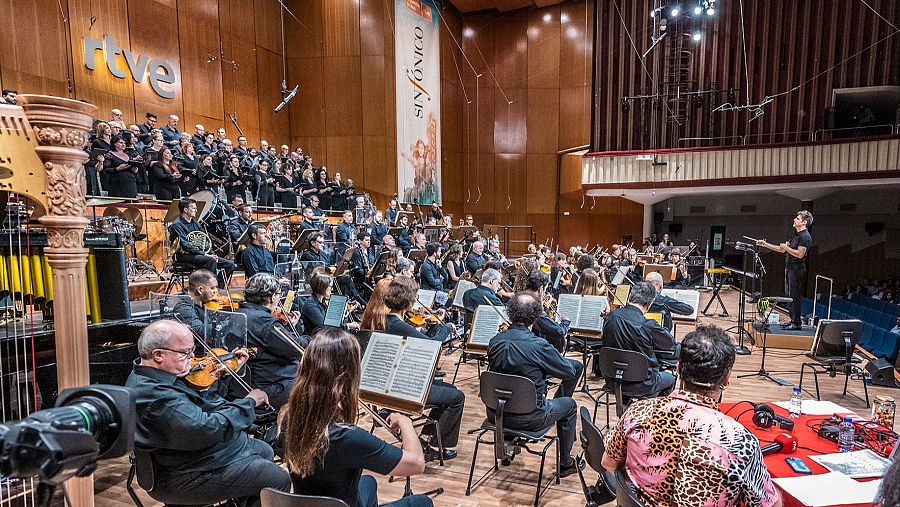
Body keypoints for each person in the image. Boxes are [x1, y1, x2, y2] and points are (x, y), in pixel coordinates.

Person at [602, 325, 782, 507]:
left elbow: (608, 464)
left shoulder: (637, 412)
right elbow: (767, 504)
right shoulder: (741, 442)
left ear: (678, 369)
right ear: (726, 378)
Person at [126, 320, 291, 507]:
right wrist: (248, 403)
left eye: (193, 350)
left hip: (189, 457)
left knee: (264, 450)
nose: (192, 357)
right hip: (182, 473)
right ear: (158, 355)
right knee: (278, 479)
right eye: (185, 352)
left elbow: (207, 403)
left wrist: (226, 373)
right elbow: (207, 428)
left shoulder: (157, 375)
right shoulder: (155, 396)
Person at [280, 328, 433, 507]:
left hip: (310, 502)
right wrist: (406, 423)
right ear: (347, 376)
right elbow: (416, 463)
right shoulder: (346, 437)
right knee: (422, 502)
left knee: (368, 482)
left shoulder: (290, 417)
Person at [486, 292, 584, 477]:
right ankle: (565, 463)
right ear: (535, 316)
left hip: (495, 414)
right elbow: (568, 372)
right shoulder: (539, 345)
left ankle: (508, 437)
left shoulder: (494, 341)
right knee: (570, 406)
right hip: (531, 417)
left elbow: (508, 371)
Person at [379, 276, 464, 460]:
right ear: (408, 300)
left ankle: (426, 440)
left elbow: (420, 341)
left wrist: (433, 324)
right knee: (457, 397)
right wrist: (446, 327)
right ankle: (432, 446)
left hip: (394, 383)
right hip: (403, 390)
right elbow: (433, 345)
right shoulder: (398, 325)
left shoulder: (386, 321)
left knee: (451, 390)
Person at [237, 273, 306, 409]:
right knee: (320, 383)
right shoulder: (264, 322)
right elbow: (295, 349)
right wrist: (310, 339)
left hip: (254, 382)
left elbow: (273, 342)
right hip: (275, 385)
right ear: (272, 297)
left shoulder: (241, 313)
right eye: (279, 294)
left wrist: (286, 326)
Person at [599, 281, 676, 398]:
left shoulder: (610, 317)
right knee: (671, 377)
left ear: (630, 297)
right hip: (643, 383)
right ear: (649, 304)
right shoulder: (648, 325)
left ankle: (628, 407)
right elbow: (669, 344)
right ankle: (650, 411)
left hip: (612, 379)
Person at [756, 211, 813, 330]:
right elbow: (781, 249)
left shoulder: (805, 236)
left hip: (797, 269)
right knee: (789, 295)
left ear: (804, 222)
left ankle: (796, 322)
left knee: (794, 296)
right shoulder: (796, 235)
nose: (794, 220)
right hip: (790, 268)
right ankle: (792, 320)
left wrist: (787, 247)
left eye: (797, 218)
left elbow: (800, 254)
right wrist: (765, 244)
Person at [169, 198, 235, 288]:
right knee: (210, 260)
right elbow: (185, 245)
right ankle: (210, 288)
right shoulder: (177, 225)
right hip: (183, 255)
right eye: (194, 208)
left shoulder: (195, 223)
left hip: (199, 254)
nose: (196, 210)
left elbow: (205, 240)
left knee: (230, 265)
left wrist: (211, 253)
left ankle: (217, 287)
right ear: (185, 210)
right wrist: (205, 254)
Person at [525, 270, 571, 353]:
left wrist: (543, 305)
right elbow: (560, 331)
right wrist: (565, 321)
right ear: (541, 289)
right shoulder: (534, 307)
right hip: (536, 349)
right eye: (545, 289)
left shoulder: (522, 298)